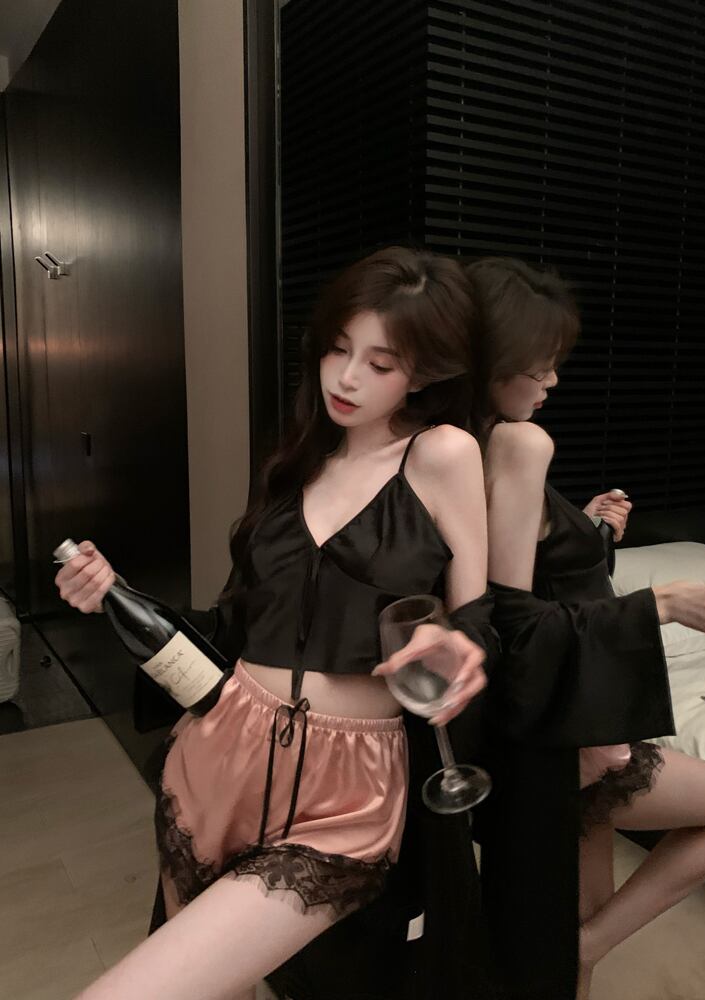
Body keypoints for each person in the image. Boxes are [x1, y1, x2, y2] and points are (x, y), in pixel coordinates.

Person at [55, 247, 494, 1000]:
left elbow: (479, 616)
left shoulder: (441, 454)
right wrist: (111, 593)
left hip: (347, 788)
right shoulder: (297, 465)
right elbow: (236, 626)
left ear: (423, 374)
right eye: (337, 349)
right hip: (220, 746)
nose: (346, 378)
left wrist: (453, 644)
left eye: (380, 363)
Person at [467, 257, 705, 1000]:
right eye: (542, 364)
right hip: (566, 718)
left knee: (574, 915)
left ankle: (578, 949)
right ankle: (580, 949)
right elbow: (513, 616)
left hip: (576, 703)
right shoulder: (518, 442)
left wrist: (589, 530)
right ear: (495, 359)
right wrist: (663, 603)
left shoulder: (466, 442)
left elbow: (525, 574)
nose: (553, 380)